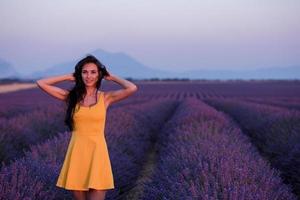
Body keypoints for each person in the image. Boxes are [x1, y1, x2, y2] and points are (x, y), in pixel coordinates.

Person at [36, 55, 138, 200]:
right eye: (85, 72)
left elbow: (132, 88)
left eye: (93, 72)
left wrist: (112, 77)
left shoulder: (106, 98)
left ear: (99, 75)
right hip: (77, 154)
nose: (89, 76)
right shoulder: (71, 97)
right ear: (80, 74)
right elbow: (41, 83)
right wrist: (66, 77)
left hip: (98, 154)